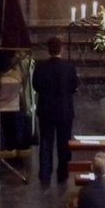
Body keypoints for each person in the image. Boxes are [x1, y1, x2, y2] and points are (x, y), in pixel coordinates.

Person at [32, 36, 78, 185]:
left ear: (48, 50)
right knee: (64, 143)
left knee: (46, 143)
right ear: (61, 49)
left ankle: (45, 175)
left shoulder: (40, 67)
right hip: (65, 110)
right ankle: (63, 174)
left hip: (46, 109)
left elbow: (35, 86)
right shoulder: (69, 67)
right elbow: (73, 87)